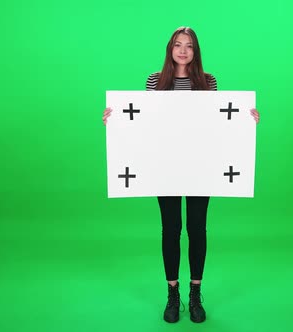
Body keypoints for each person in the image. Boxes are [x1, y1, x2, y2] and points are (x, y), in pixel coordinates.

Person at [103, 26, 260, 323]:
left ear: (195, 50)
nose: (183, 50)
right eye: (178, 45)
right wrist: (116, 120)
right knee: (171, 228)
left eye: (189, 45)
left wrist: (245, 119)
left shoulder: (207, 81)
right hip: (165, 166)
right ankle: (172, 294)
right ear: (170, 49)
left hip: (202, 165)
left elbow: (217, 123)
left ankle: (195, 294)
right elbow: (144, 122)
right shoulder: (155, 81)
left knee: (197, 229)